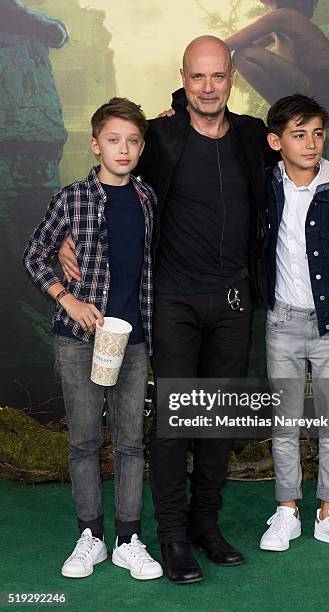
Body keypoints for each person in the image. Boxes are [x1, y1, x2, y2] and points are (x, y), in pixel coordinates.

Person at [58, 36, 329, 583]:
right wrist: (67, 234)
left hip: (234, 300)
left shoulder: (255, 136)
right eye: (198, 77)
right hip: (174, 299)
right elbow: (110, 179)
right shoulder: (158, 136)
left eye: (219, 77)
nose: (209, 87)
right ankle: (173, 536)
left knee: (216, 420)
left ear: (232, 78)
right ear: (183, 78)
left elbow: (305, 156)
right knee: (179, 420)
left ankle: (207, 526)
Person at [23, 98, 163, 580]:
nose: (122, 149)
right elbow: (34, 255)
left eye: (132, 141)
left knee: (130, 443)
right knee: (83, 441)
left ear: (142, 147)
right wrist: (68, 299)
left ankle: (128, 538)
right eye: (113, 140)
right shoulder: (72, 198)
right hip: (79, 339)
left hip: (135, 340)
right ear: (95, 144)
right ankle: (91, 537)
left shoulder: (147, 200)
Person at [260, 94, 329, 555]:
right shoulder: (265, 186)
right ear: (275, 140)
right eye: (298, 134)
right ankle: (286, 510)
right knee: (284, 426)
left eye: (318, 133)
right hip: (281, 324)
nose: (310, 143)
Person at [224, 0, 329, 125]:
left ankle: (284, 116)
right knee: (239, 54)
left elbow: (230, 43)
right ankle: (287, 115)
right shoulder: (280, 19)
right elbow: (239, 43)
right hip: (322, 101)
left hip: (325, 96)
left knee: (243, 55)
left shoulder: (283, 16)